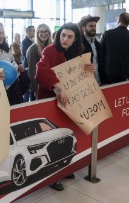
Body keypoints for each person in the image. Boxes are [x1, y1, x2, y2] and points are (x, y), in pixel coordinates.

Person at [36, 22, 95, 191]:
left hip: (70, 104)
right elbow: (40, 71)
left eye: (70, 37)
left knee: (66, 137)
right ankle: (53, 176)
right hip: (50, 101)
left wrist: (89, 69)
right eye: (63, 35)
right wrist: (57, 86)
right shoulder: (50, 50)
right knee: (52, 140)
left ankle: (63, 169)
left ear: (75, 39)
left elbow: (80, 77)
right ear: (58, 35)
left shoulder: (78, 54)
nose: (65, 39)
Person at [0, 21, 25, 105]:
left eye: (2, 33)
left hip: (13, 89)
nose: (1, 36)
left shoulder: (6, 49)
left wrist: (19, 67)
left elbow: (12, 65)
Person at [99, 12, 129, 84]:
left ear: (119, 19)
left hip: (108, 72)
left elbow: (101, 54)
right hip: (124, 73)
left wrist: (101, 72)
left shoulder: (107, 34)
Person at [26, 23, 52, 101]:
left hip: (48, 85)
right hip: (38, 87)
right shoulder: (33, 49)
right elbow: (32, 71)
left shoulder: (50, 47)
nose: (43, 34)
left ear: (49, 33)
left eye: (45, 31)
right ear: (37, 34)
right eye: (41, 32)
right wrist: (35, 89)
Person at [78, 15, 102, 85]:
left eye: (95, 26)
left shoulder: (97, 43)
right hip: (85, 83)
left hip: (98, 80)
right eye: (91, 26)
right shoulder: (78, 44)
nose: (94, 28)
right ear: (83, 28)